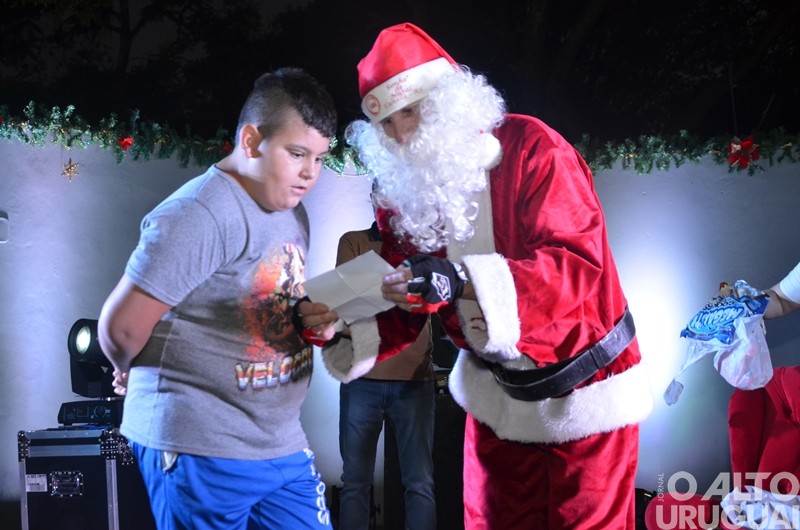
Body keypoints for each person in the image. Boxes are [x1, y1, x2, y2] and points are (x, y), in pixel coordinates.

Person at [321, 23, 653, 529]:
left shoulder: (535, 148)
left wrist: (460, 279)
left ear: (447, 100)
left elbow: (576, 269)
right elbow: (396, 286)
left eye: (408, 111)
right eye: (385, 123)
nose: (400, 134)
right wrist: (325, 316)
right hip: (496, 403)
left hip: (587, 401)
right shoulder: (408, 197)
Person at [97, 67, 341, 530]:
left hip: (278, 443)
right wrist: (126, 366)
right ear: (251, 142)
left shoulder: (292, 211)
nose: (311, 173)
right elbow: (120, 329)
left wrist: (312, 321)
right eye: (297, 154)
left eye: (319, 157)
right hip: (200, 446)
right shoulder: (200, 213)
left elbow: (268, 301)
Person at [335, 205, 437, 530]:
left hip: (415, 379)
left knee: (419, 482)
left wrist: (371, 289)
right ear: (374, 197)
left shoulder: (426, 248)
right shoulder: (353, 241)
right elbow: (347, 306)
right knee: (354, 482)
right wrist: (402, 294)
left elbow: (432, 300)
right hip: (362, 377)